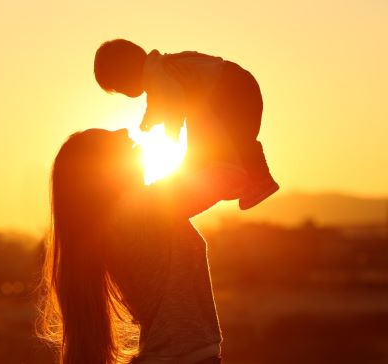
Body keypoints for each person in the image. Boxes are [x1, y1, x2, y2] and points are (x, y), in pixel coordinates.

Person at [36, 128, 247, 363]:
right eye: (111, 137)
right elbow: (228, 176)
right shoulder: (136, 210)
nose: (125, 131)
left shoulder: (128, 213)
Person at [93, 39, 279, 210]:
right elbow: (159, 101)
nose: (124, 93)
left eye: (120, 87)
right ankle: (246, 178)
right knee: (229, 140)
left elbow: (174, 101)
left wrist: (171, 133)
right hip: (237, 84)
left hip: (229, 89)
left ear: (127, 72)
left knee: (213, 139)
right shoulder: (160, 71)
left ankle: (247, 177)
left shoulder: (160, 75)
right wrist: (148, 120)